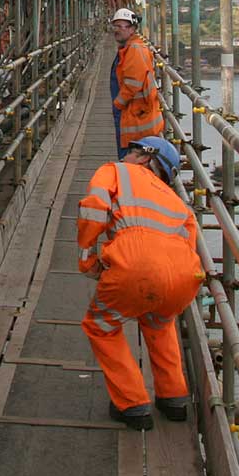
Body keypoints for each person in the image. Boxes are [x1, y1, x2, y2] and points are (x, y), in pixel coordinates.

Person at [77, 136, 203, 430]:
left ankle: (133, 404)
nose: (126, 156)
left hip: (137, 266)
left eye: (132, 152)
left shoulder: (115, 171)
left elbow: (93, 209)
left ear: (147, 157)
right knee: (159, 322)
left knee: (101, 326)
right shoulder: (175, 200)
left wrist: (87, 260)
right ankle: (174, 399)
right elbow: (190, 241)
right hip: (184, 277)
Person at [109, 7, 163, 159]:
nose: (117, 30)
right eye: (115, 26)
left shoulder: (134, 49)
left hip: (136, 115)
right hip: (136, 113)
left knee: (131, 157)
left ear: (132, 29)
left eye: (122, 26)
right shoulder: (128, 48)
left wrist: (117, 105)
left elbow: (133, 84)